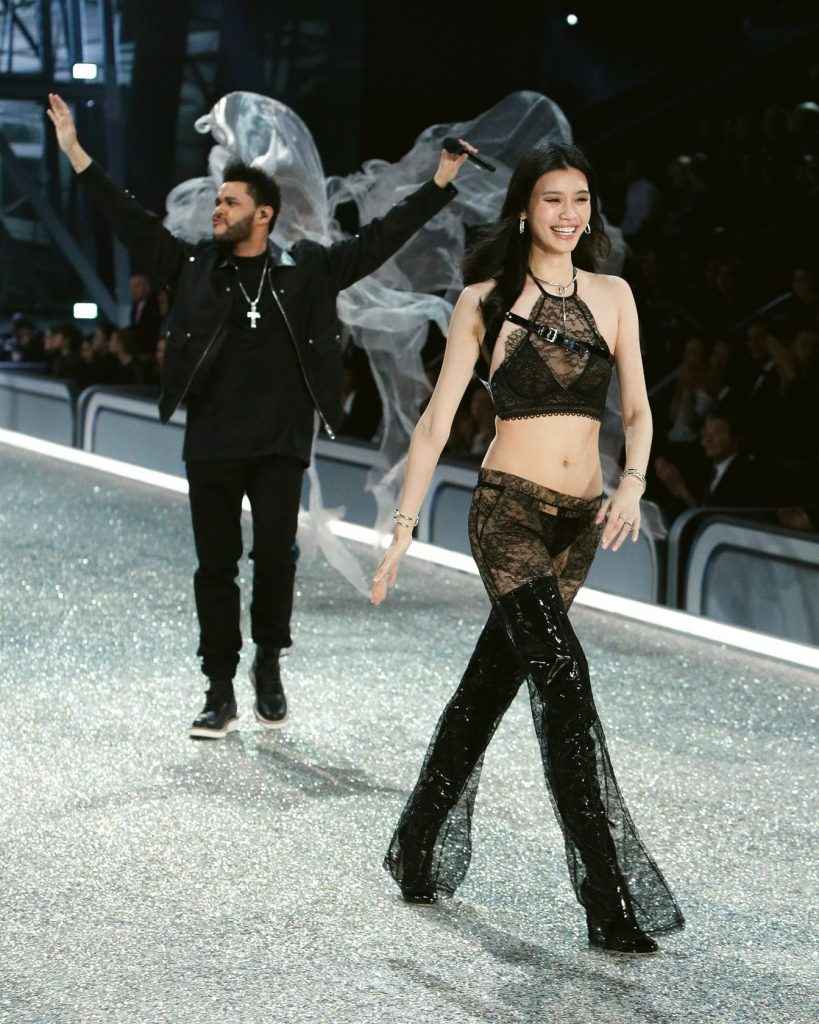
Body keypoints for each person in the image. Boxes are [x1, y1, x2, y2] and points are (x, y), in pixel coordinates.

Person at [47, 91, 473, 740]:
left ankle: (268, 660)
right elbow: (127, 218)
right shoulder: (192, 267)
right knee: (214, 568)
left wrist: (439, 184)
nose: (217, 210)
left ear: (264, 215)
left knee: (275, 560)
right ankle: (218, 689)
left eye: (230, 202)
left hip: (280, 442)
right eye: (217, 201)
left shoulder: (309, 272)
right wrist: (77, 153)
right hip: (211, 441)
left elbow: (380, 239)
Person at [370, 143, 685, 955]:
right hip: (506, 514)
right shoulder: (482, 301)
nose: (568, 214)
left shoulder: (613, 295)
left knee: (490, 686)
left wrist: (633, 483)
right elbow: (436, 422)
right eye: (552, 199)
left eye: (580, 199)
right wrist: (402, 528)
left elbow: (637, 410)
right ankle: (609, 901)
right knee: (565, 684)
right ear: (522, 210)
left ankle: (417, 841)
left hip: (579, 523)